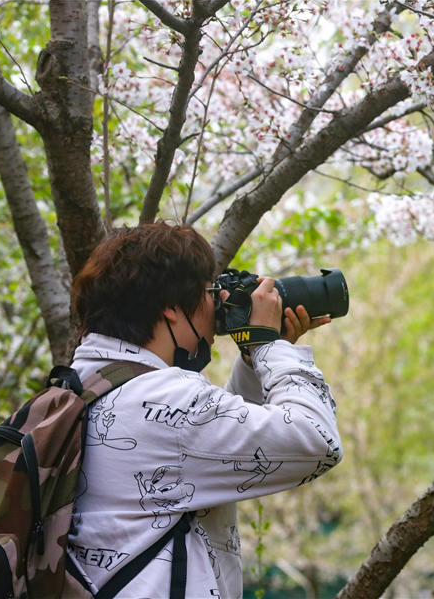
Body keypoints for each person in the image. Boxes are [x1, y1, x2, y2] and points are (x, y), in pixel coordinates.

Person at [66, 222, 341, 598]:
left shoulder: (83, 385)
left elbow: (210, 445)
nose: (215, 307)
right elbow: (317, 441)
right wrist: (271, 348)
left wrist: (252, 359)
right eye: (209, 292)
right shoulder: (161, 396)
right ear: (170, 308)